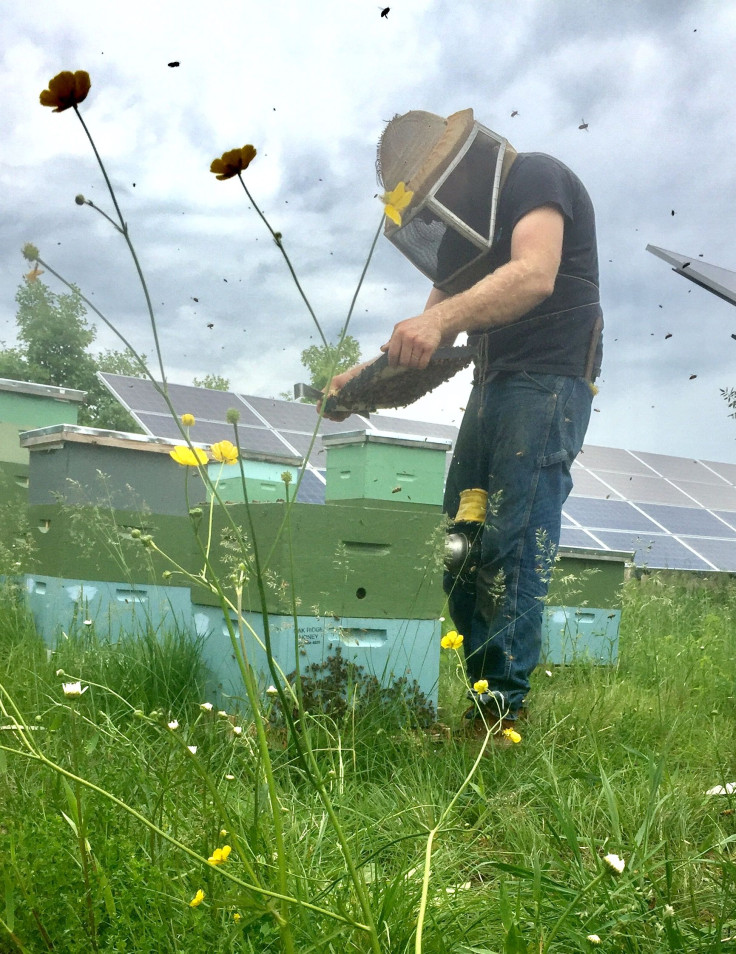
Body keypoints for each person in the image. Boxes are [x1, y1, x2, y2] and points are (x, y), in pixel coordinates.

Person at [322, 108, 602, 740]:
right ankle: (484, 703)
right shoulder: (461, 239)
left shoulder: (537, 178)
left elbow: (534, 274)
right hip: (492, 386)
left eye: (435, 194)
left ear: (461, 167)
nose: (436, 209)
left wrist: (437, 324)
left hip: (548, 382)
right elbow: (429, 342)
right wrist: (359, 381)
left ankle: (504, 710)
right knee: (462, 542)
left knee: (513, 538)